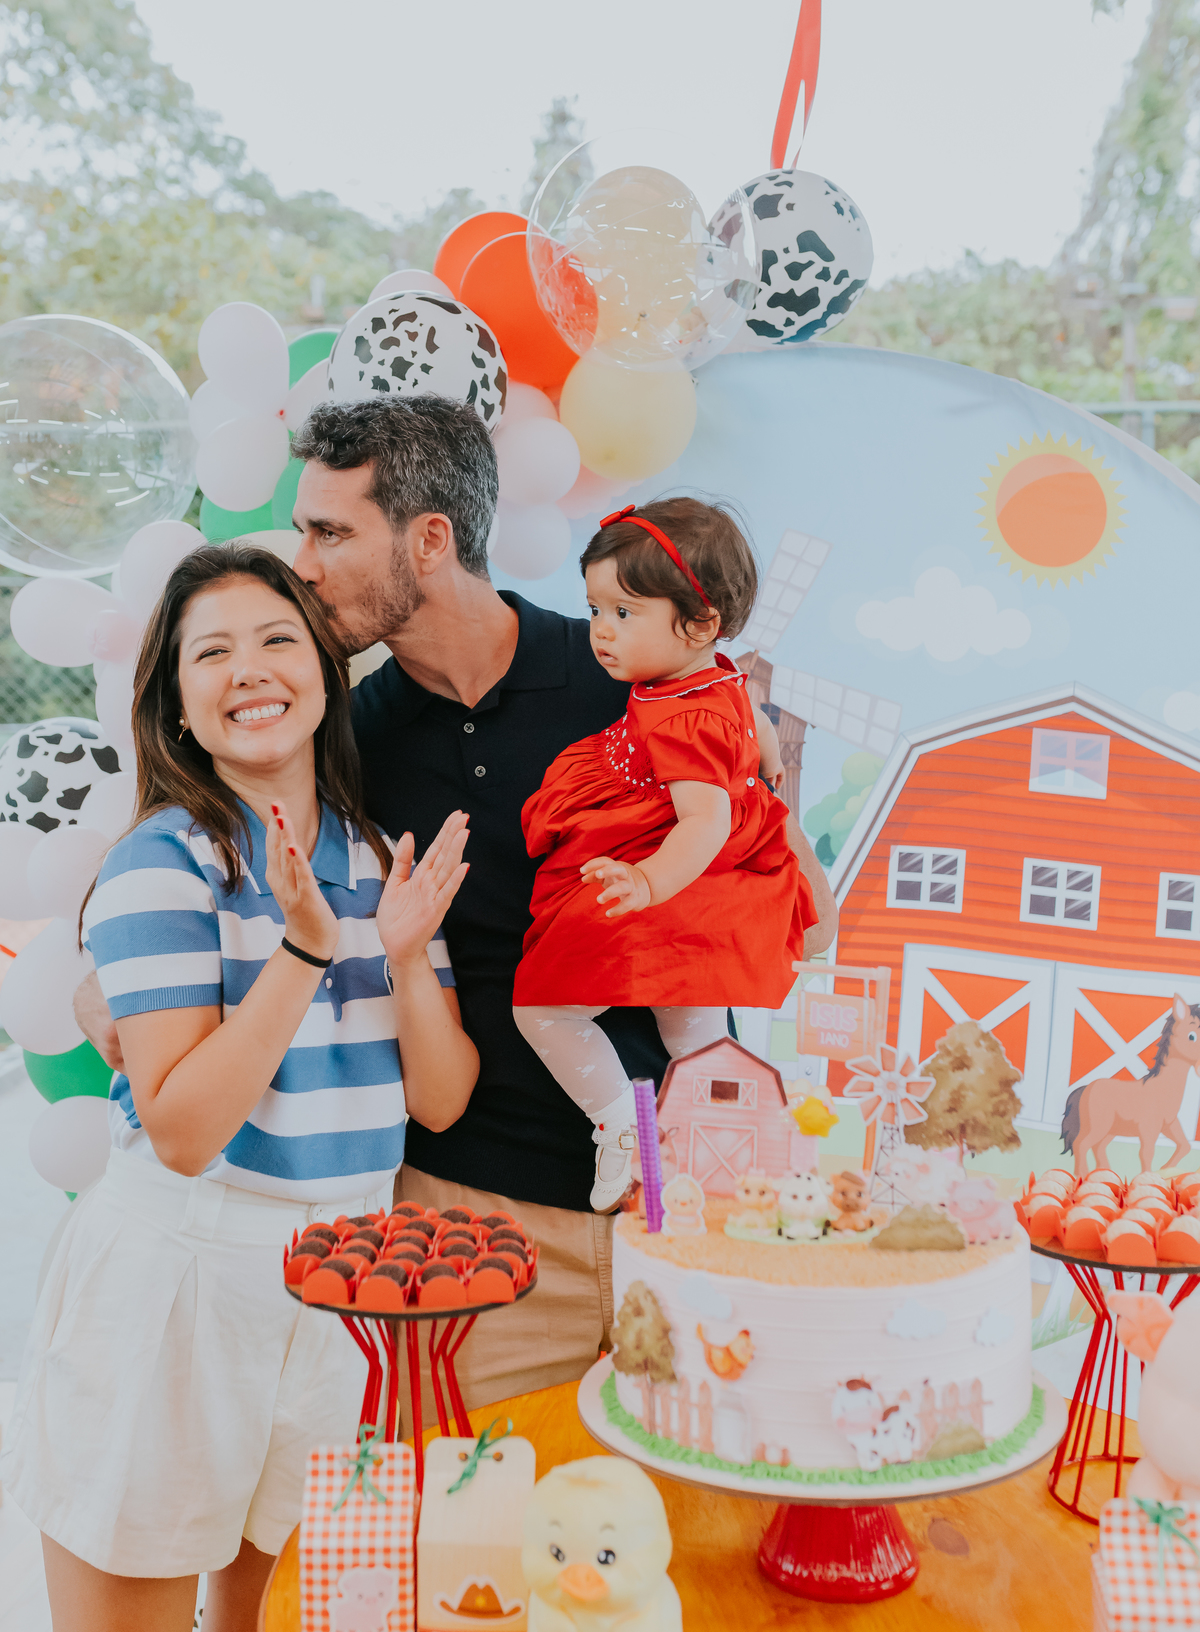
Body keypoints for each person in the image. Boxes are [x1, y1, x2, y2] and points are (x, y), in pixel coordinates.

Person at [79, 394, 837, 1412]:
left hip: (691, 1204)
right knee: (475, 1547)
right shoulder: (348, 740)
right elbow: (210, 838)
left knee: (689, 1534)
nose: (303, 562)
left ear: (429, 540)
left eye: (331, 532)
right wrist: (104, 985)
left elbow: (779, 870)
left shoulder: (628, 681)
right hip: (467, 1224)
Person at [4, 544, 478, 1632]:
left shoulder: (371, 858)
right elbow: (181, 1128)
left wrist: (403, 953)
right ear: (177, 705)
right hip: (184, 1277)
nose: (250, 670)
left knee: (289, 1615)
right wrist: (304, 952)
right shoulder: (158, 868)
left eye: (275, 640)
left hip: (350, 1289)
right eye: (210, 652)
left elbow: (441, 1102)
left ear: (323, 670)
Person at [512, 498, 817, 1210]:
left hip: (669, 874)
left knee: (543, 1006)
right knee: (694, 1032)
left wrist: (646, 882)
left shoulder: (683, 717)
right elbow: (756, 730)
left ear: (701, 623)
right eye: (594, 610)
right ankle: (720, 1146)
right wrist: (765, 761)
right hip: (711, 896)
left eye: (624, 613)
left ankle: (621, 1125)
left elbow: (704, 820)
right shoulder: (714, 676)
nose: (600, 633)